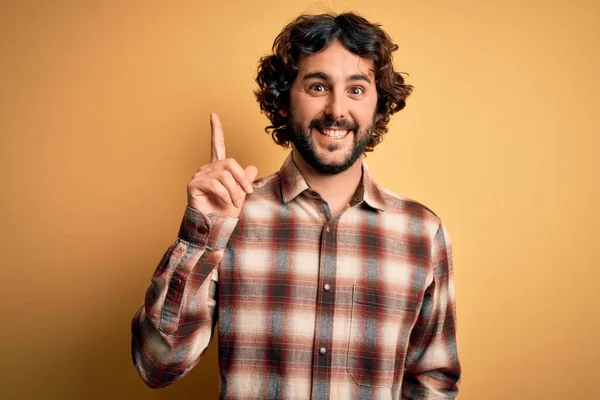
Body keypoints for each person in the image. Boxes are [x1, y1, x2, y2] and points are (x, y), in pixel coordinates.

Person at [131, 11, 461, 399]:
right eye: (318, 86)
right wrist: (200, 235)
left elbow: (433, 383)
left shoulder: (421, 234)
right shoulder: (231, 217)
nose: (337, 110)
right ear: (285, 100)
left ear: (378, 104)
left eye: (356, 89)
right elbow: (156, 366)